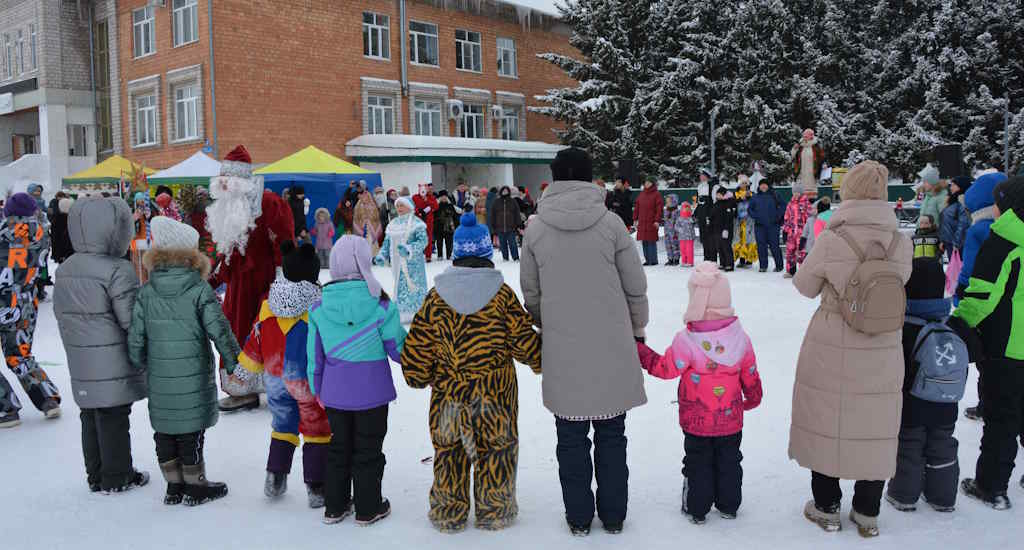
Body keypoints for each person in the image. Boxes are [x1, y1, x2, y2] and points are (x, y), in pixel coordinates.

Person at [521, 148, 649, 536]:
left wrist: (547, 322)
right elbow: (635, 285)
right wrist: (637, 327)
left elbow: (532, 292)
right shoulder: (611, 224)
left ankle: (578, 517)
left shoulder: (537, 228)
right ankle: (613, 515)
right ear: (590, 178)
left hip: (563, 348)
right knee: (612, 435)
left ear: (555, 178)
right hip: (612, 345)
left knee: (571, 439)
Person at [789, 160, 912, 537]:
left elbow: (804, 286)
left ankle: (826, 506)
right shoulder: (900, 241)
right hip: (884, 341)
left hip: (834, 338)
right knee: (875, 422)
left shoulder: (833, 237)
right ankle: (867, 511)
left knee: (828, 416)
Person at [400, 212, 542, 532]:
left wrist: (420, 375)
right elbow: (524, 344)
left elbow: (417, 355)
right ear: (486, 254)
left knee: (450, 452)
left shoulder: (435, 300)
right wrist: (540, 358)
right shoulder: (502, 296)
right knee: (497, 449)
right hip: (496, 395)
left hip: (449, 395)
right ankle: (495, 510)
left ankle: (449, 512)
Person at [636, 262, 763, 524]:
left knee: (697, 461)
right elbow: (749, 371)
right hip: (730, 417)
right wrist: (753, 396)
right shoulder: (739, 337)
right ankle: (729, 504)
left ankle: (697, 506)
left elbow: (666, 368)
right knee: (729, 460)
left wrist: (640, 352)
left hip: (697, 418)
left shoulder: (687, 340)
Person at [128, 216, 241, 506]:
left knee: (165, 428)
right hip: (192, 374)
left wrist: (137, 359)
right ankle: (195, 485)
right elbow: (219, 328)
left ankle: (173, 485)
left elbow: (136, 335)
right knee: (191, 430)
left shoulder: (147, 292)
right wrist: (233, 361)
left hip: (160, 375)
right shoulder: (198, 289)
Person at [54, 197, 148, 492]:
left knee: (90, 413)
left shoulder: (66, 268)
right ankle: (117, 475)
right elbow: (131, 320)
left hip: (79, 353)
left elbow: (60, 311)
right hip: (112, 355)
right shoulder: (117, 270)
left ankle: (96, 474)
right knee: (113, 414)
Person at [310, 235, 406, 525]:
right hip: (373, 395)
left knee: (339, 446)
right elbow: (398, 349)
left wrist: (318, 389)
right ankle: (368, 507)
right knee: (368, 449)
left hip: (335, 395)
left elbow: (314, 356)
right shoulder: (381, 305)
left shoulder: (319, 306)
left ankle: (334, 507)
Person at [236, 242, 330, 507]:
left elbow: (255, 341)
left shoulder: (267, 306)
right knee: (315, 427)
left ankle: (275, 478)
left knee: (283, 425)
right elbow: (327, 344)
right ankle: (317, 486)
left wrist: (243, 370)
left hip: (274, 379)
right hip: (305, 380)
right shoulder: (318, 308)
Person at [207, 145, 295, 413]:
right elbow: (227, 251)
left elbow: (284, 240)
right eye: (221, 178)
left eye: (227, 178)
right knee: (234, 336)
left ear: (241, 180)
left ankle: (277, 388)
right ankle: (241, 390)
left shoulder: (268, 203)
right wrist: (210, 276)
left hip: (265, 285)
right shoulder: (226, 207)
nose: (222, 184)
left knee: (268, 335)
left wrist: (284, 276)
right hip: (237, 287)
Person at [953, 177, 1024, 510]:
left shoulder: (1004, 240)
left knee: (1002, 418)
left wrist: (959, 324)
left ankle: (991, 486)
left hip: (1006, 345)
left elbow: (983, 295)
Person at [886, 258, 960, 513]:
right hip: (947, 401)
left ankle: (904, 496)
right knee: (943, 446)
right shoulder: (951, 325)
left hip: (913, 403)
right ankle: (943, 497)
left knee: (909, 446)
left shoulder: (903, 328)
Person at [0, 193, 60, 427]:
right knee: (20, 355)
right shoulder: (42, 233)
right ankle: (47, 399)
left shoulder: (3, 234)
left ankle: (6, 408)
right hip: (24, 302)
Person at [955, 171, 1007, 421]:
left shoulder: (978, 231)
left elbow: (970, 272)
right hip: (1011, 308)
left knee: (988, 362)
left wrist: (959, 297)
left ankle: (987, 405)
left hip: (986, 308)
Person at [375, 197, 429, 324]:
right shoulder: (392, 224)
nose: (399, 209)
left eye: (401, 206)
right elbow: (386, 243)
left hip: (413, 264)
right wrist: (382, 256)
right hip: (396, 263)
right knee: (400, 287)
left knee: (412, 287)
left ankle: (417, 313)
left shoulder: (417, 223)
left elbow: (423, 241)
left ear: (409, 207)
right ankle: (403, 313)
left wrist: (409, 249)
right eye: (397, 206)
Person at [747, 180, 785, 273]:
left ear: (768, 186)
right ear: (759, 187)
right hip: (760, 226)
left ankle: (779, 265)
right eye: (761, 185)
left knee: (774, 246)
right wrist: (755, 216)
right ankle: (763, 266)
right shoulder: (755, 197)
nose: (763, 186)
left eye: (765, 185)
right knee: (761, 247)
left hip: (773, 225)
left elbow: (783, 205)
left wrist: (777, 216)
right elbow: (750, 209)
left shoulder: (775, 195)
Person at [782, 185, 815, 277]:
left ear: (801, 193)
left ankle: (803, 272)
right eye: (794, 192)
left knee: (802, 252)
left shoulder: (806, 203)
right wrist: (785, 230)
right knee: (790, 251)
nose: (796, 194)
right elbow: (786, 217)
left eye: (798, 192)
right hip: (791, 232)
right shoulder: (790, 204)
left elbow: (810, 217)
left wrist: (808, 231)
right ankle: (791, 271)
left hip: (802, 232)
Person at [939, 176, 972, 260]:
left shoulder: (962, 200)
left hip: (958, 244)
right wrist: (943, 240)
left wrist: (957, 243)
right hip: (949, 242)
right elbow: (945, 221)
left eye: (954, 185)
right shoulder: (953, 200)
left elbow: (963, 224)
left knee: (957, 269)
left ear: (961, 186)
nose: (951, 187)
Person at [634, 180, 664, 266]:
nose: (646, 184)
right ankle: (647, 260)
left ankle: (653, 260)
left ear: (652, 184)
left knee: (651, 241)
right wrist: (635, 219)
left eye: (649, 182)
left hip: (652, 221)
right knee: (644, 241)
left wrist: (657, 220)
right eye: (645, 182)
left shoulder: (656, 194)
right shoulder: (641, 194)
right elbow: (637, 207)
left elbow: (659, 209)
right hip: (642, 221)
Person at [489, 186, 523, 262]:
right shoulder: (496, 202)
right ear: (501, 192)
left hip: (511, 227)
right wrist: (493, 225)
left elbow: (517, 213)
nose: (505, 192)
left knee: (513, 244)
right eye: (503, 191)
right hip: (500, 227)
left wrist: (519, 224)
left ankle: (516, 257)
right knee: (503, 244)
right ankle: (505, 258)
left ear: (509, 192)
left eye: (506, 191)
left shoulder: (513, 201)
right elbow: (493, 214)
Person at [791, 129, 826, 193]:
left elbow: (822, 157)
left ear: (811, 136)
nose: (805, 138)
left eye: (806, 136)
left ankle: (811, 201)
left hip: (812, 173)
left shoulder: (816, 146)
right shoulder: (800, 146)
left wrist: (823, 164)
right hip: (801, 173)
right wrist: (794, 149)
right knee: (800, 191)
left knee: (811, 191)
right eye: (804, 136)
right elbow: (793, 156)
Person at [711, 186, 737, 271]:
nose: (717, 196)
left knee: (726, 247)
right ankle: (722, 263)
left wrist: (726, 229)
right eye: (717, 194)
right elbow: (713, 215)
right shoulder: (716, 203)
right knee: (719, 247)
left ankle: (729, 264)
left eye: (719, 194)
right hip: (716, 229)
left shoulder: (729, 203)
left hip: (726, 229)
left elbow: (729, 218)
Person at [732, 181, 757, 268]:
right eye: (742, 183)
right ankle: (742, 259)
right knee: (739, 240)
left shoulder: (752, 193)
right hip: (739, 221)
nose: (744, 185)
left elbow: (755, 204)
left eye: (745, 183)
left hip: (749, 220)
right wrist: (739, 199)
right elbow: (732, 203)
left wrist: (749, 198)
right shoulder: (735, 194)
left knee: (749, 239)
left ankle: (749, 260)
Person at [353, 185, 383, 256]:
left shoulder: (373, 206)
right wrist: (360, 225)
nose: (365, 198)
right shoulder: (358, 206)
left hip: (372, 228)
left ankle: (373, 257)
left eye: (366, 197)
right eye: (363, 197)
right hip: (363, 229)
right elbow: (356, 219)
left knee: (373, 244)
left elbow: (377, 218)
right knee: (363, 245)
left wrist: (373, 225)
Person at [694, 170, 717, 263]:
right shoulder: (699, 187)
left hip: (710, 215)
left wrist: (712, 214)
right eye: (700, 175)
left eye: (703, 175)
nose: (701, 177)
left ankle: (712, 257)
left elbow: (715, 202)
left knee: (711, 237)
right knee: (703, 236)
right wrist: (695, 213)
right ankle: (706, 257)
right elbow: (698, 202)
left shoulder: (712, 186)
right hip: (701, 215)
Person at [130, 192, 152, 284]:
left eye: (142, 201)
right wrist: (134, 218)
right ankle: (140, 282)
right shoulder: (132, 211)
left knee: (147, 264)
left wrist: (148, 216)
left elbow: (151, 222)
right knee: (137, 264)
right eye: (139, 201)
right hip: (135, 241)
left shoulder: (149, 210)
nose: (141, 203)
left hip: (146, 240)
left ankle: (147, 282)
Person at [413, 183, 439, 262]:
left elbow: (436, 206)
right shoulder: (415, 197)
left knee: (428, 238)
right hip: (418, 220)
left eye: (425, 189)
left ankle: (428, 256)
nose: (423, 191)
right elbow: (413, 206)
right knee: (418, 238)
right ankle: (418, 254)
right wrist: (418, 211)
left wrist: (427, 201)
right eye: (422, 189)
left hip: (428, 221)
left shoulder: (431, 197)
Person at [916, 165, 947, 231]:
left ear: (932, 183)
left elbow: (945, 218)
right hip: (924, 232)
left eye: (925, 182)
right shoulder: (928, 196)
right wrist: (918, 228)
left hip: (935, 233)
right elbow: (922, 215)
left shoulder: (941, 196)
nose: (923, 185)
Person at [433, 191, 458, 261]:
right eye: (442, 197)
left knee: (449, 241)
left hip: (448, 226)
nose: (444, 198)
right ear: (440, 198)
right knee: (439, 242)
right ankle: (440, 255)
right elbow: (434, 216)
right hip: (439, 226)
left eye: (445, 196)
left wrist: (456, 225)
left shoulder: (450, 205)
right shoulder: (436, 206)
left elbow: (454, 215)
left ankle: (449, 255)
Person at [51, 196, 74, 263]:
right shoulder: (72, 219)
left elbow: (54, 238)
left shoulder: (56, 219)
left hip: (59, 251)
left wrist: (55, 254)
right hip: (70, 251)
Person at [662, 195, 681, 266]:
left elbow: (678, 221)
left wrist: (676, 229)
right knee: (668, 245)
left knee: (675, 245)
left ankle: (676, 258)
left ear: (674, 202)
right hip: (667, 231)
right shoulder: (666, 210)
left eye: (669, 201)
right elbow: (665, 219)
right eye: (666, 201)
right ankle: (670, 258)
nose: (667, 203)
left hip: (674, 231)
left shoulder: (677, 211)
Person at [677, 201, 696, 267]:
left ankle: (690, 262)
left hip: (689, 237)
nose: (686, 209)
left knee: (689, 250)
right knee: (683, 250)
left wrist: (693, 220)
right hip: (682, 237)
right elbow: (676, 226)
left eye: (687, 208)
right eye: (684, 208)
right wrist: (680, 229)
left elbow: (694, 224)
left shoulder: (691, 218)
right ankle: (684, 261)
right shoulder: (679, 218)